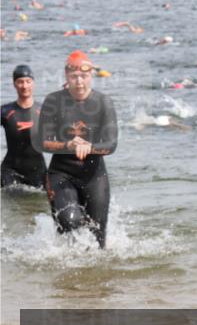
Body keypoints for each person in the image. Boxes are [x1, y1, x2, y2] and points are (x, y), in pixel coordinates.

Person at [34, 51, 118, 247]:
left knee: (98, 240)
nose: (79, 82)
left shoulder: (103, 102)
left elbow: (111, 144)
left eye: (84, 76)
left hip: (94, 175)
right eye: (74, 77)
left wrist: (89, 147)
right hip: (61, 173)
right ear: (66, 76)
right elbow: (41, 142)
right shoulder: (53, 101)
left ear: (92, 76)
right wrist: (68, 145)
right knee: (69, 221)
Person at [2, 64, 46, 189]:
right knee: (12, 204)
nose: (24, 86)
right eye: (20, 82)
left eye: (28, 81)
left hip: (38, 170)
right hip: (10, 170)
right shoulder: (5, 111)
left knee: (37, 206)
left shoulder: (44, 110)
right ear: (14, 84)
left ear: (33, 84)